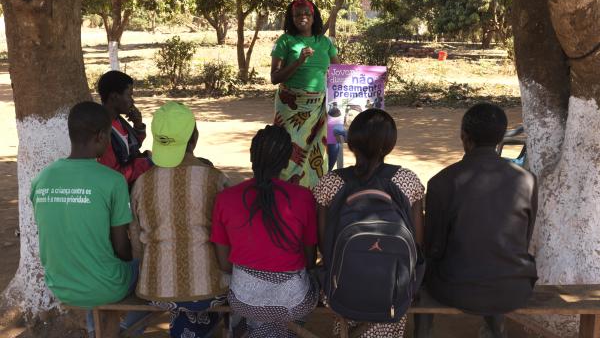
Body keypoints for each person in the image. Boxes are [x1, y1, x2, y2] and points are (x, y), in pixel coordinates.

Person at [419, 103, 538, 338]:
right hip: (514, 288)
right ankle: (496, 329)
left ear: (464, 136)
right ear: (500, 137)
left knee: (422, 269)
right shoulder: (527, 180)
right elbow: (524, 238)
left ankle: (423, 332)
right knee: (493, 257)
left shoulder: (442, 181)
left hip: (456, 288)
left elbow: (433, 246)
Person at [313, 108, 425, 338]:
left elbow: (324, 245)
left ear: (352, 144)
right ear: (390, 144)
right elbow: (417, 242)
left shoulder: (330, 183)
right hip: (394, 291)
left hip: (341, 290)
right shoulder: (408, 180)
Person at [30, 101, 138, 337]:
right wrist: (135, 259)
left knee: (101, 270)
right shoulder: (113, 181)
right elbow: (121, 247)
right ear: (100, 136)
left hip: (61, 285)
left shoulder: (42, 178)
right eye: (109, 135)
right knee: (146, 268)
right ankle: (131, 330)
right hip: (106, 285)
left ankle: (99, 331)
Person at [129, 102, 229, 338]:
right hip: (212, 291)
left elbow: (136, 241)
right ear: (194, 137)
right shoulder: (215, 180)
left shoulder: (142, 183)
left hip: (156, 290)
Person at [210, 125, 319, 337]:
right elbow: (309, 260)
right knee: (306, 288)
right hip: (293, 303)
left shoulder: (226, 198)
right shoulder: (301, 197)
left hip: (243, 301)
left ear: (252, 157)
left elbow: (224, 264)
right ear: (287, 160)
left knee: (257, 310)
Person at [271, 0, 339, 188]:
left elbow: (339, 71)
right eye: (297, 15)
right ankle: (284, 190)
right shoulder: (285, 41)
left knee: (327, 146)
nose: (302, 18)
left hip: (318, 107)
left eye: (307, 14)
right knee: (288, 151)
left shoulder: (324, 42)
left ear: (313, 17)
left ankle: (315, 187)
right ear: (291, 18)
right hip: (291, 108)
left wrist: (374, 78)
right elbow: (275, 77)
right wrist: (299, 61)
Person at [97, 70, 152, 185]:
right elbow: (114, 176)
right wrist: (147, 163)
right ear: (114, 97)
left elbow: (131, 146)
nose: (132, 101)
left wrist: (138, 124)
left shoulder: (118, 120)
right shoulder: (103, 131)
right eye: (129, 95)